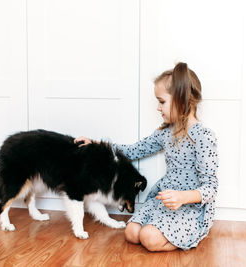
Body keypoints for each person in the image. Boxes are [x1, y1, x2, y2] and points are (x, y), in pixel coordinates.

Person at [75, 62, 219, 251]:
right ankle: (159, 231)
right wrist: (96, 145)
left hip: (188, 205)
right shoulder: (165, 133)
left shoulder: (203, 136)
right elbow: (132, 151)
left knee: (149, 238)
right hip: (165, 200)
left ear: (182, 101)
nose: (158, 108)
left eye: (161, 102)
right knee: (131, 233)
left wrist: (183, 197)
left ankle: (191, 234)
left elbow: (211, 186)